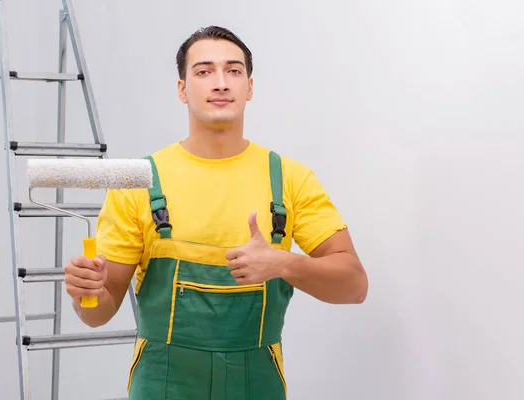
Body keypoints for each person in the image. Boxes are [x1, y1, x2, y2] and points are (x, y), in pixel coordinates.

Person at [63, 25, 368, 400]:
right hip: (163, 385)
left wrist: (283, 264)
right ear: (182, 89)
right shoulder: (140, 182)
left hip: (256, 385)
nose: (220, 83)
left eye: (234, 71)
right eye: (204, 71)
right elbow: (98, 313)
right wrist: (86, 294)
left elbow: (355, 286)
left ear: (249, 87)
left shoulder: (289, 179)